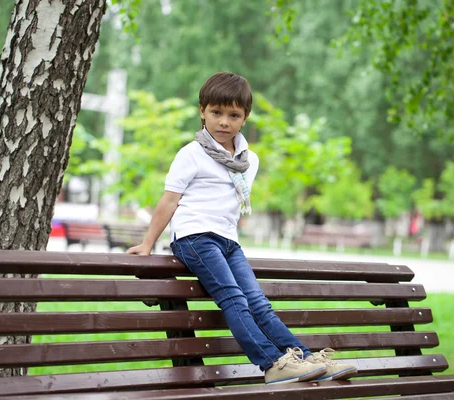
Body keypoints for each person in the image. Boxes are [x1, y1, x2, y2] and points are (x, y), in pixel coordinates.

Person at [127, 72, 356, 385]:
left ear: (245, 118)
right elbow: (169, 201)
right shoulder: (191, 154)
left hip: (228, 241)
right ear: (202, 111)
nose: (224, 122)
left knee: (258, 303)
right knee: (234, 298)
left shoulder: (250, 160)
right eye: (216, 113)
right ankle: (273, 364)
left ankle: (305, 359)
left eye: (233, 115)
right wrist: (148, 243)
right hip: (195, 238)